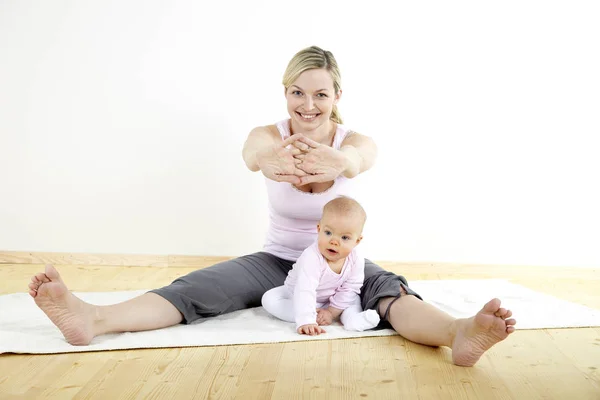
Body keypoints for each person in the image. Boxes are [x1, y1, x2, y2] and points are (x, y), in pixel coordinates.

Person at [27, 45, 516, 367]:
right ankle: (93, 319)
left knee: (389, 294)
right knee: (200, 287)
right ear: (285, 92)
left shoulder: (354, 140)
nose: (307, 105)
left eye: (320, 94)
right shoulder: (270, 134)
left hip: (343, 266)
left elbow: (361, 158)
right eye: (297, 93)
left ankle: (459, 332)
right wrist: (268, 159)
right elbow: (251, 154)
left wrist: (339, 159)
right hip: (277, 261)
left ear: (336, 96)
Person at [262, 196, 380, 335]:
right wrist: (306, 320)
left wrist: (331, 312)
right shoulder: (312, 256)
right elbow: (305, 289)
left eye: (345, 238)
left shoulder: (356, 259)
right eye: (328, 233)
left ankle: (353, 319)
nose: (334, 241)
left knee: (353, 298)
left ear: (357, 241)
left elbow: (350, 287)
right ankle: (312, 315)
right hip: (297, 294)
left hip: (332, 299)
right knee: (269, 299)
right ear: (319, 229)